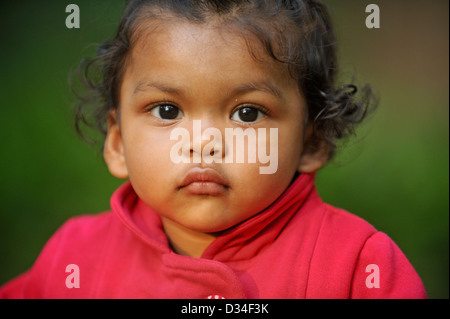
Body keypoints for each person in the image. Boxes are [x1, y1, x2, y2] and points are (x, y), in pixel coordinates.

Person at [0, 0, 426, 298]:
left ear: (310, 141)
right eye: (167, 110)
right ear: (118, 144)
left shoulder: (357, 266)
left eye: (247, 114)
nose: (203, 143)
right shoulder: (74, 258)